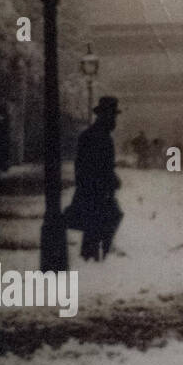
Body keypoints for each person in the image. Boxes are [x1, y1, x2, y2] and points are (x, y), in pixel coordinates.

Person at [66, 96, 124, 261]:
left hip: (96, 189)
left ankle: (96, 256)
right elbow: (92, 166)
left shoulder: (95, 135)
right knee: (102, 222)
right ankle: (96, 257)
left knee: (99, 224)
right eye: (112, 115)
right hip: (95, 190)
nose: (114, 120)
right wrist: (107, 181)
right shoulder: (98, 136)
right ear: (104, 115)